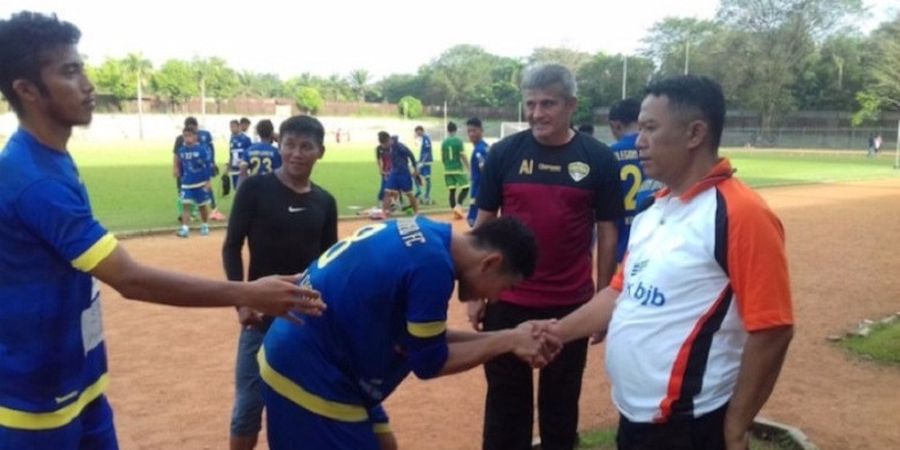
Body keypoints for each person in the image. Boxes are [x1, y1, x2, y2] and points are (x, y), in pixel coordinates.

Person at [0, 11, 323, 449]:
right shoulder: (33, 180)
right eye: (70, 71)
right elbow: (130, 279)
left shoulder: (51, 159)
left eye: (83, 67)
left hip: (80, 374)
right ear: (27, 91)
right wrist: (248, 292)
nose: (89, 84)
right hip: (35, 399)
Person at [537, 75, 794, 450]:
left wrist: (736, 426)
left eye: (651, 128)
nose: (639, 141)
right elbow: (618, 293)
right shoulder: (655, 208)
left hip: (691, 425)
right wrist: (555, 333)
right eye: (640, 127)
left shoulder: (741, 213)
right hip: (637, 417)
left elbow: (774, 328)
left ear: (695, 133)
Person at [260, 215, 555, 450]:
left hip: (311, 355)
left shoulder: (427, 231)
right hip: (312, 376)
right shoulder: (433, 267)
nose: (498, 298)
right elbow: (430, 362)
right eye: (505, 287)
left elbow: (424, 343)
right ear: (491, 263)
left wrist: (510, 337)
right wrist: (507, 340)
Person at [470, 63, 623, 450]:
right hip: (507, 302)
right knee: (505, 407)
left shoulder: (598, 158)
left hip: (569, 307)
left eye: (548, 103)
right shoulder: (505, 153)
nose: (537, 113)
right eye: (531, 104)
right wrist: (474, 291)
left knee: (560, 407)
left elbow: (608, 231)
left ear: (571, 105)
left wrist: (603, 299)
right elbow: (484, 224)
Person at [223, 115, 343, 450]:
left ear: (321, 151)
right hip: (260, 316)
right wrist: (242, 300)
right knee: (248, 405)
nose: (296, 153)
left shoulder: (325, 201)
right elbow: (232, 246)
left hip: (305, 319)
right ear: (279, 145)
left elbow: (327, 263)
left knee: (300, 404)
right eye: (289, 144)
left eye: (306, 146)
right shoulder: (254, 189)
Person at [607, 98, 663, 263]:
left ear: (616, 125)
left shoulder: (607, 154)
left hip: (617, 246)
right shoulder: (660, 154)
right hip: (653, 247)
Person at [173, 116, 225, 221]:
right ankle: (189, 214)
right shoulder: (180, 139)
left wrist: (212, 162)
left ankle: (212, 210)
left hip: (199, 171)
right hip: (185, 171)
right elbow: (176, 155)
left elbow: (208, 150)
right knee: (183, 191)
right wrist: (175, 168)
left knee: (203, 189)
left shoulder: (201, 138)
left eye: (194, 129)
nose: (191, 132)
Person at [174, 125, 213, 238]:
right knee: (186, 205)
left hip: (200, 183)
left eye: (189, 136)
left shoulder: (201, 150)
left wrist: (208, 181)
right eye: (185, 136)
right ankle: (185, 228)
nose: (187, 138)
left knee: (202, 206)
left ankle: (205, 225)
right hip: (186, 183)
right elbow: (180, 163)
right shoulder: (181, 150)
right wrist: (178, 172)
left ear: (195, 137)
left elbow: (207, 166)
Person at [379, 131, 419, 217]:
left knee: (409, 193)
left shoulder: (400, 146)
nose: (384, 147)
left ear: (388, 140)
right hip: (394, 172)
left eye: (385, 144)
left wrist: (415, 169)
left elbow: (411, 155)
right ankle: (384, 213)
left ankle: (416, 213)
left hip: (403, 172)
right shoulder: (387, 148)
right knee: (386, 192)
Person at [441, 121, 470, 219]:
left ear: (448, 130)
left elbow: (443, 158)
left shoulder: (444, 142)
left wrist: (446, 166)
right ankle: (459, 206)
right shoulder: (458, 141)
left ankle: (455, 211)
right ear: (455, 130)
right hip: (457, 169)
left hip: (447, 170)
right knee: (466, 187)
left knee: (452, 191)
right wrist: (468, 167)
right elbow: (463, 155)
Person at [465, 117, 489, 227]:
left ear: (481, 130)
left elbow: (485, 170)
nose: (471, 134)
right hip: (480, 189)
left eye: (474, 130)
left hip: (479, 191)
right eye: (469, 131)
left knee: (473, 222)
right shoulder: (485, 147)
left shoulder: (479, 150)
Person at [228, 119, 253, 191]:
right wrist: (229, 165)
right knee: (236, 188)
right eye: (230, 127)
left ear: (238, 126)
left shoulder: (246, 139)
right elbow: (231, 153)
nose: (231, 129)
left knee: (244, 188)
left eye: (233, 127)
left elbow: (250, 153)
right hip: (234, 167)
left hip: (243, 168)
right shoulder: (232, 139)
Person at [414, 125, 434, 205]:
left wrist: (422, 162)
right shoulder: (423, 139)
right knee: (416, 176)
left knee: (427, 178)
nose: (417, 134)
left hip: (426, 162)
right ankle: (420, 191)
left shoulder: (426, 139)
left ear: (421, 130)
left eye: (418, 132)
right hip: (422, 161)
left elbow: (427, 152)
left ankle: (426, 195)